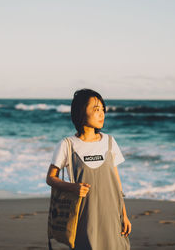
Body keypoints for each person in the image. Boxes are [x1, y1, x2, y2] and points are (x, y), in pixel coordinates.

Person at [46, 88, 131, 250]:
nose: (102, 114)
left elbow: (116, 183)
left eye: (103, 110)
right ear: (80, 112)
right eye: (96, 109)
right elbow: (50, 178)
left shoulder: (109, 142)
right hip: (84, 217)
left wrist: (124, 215)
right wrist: (72, 187)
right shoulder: (67, 145)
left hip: (112, 214)